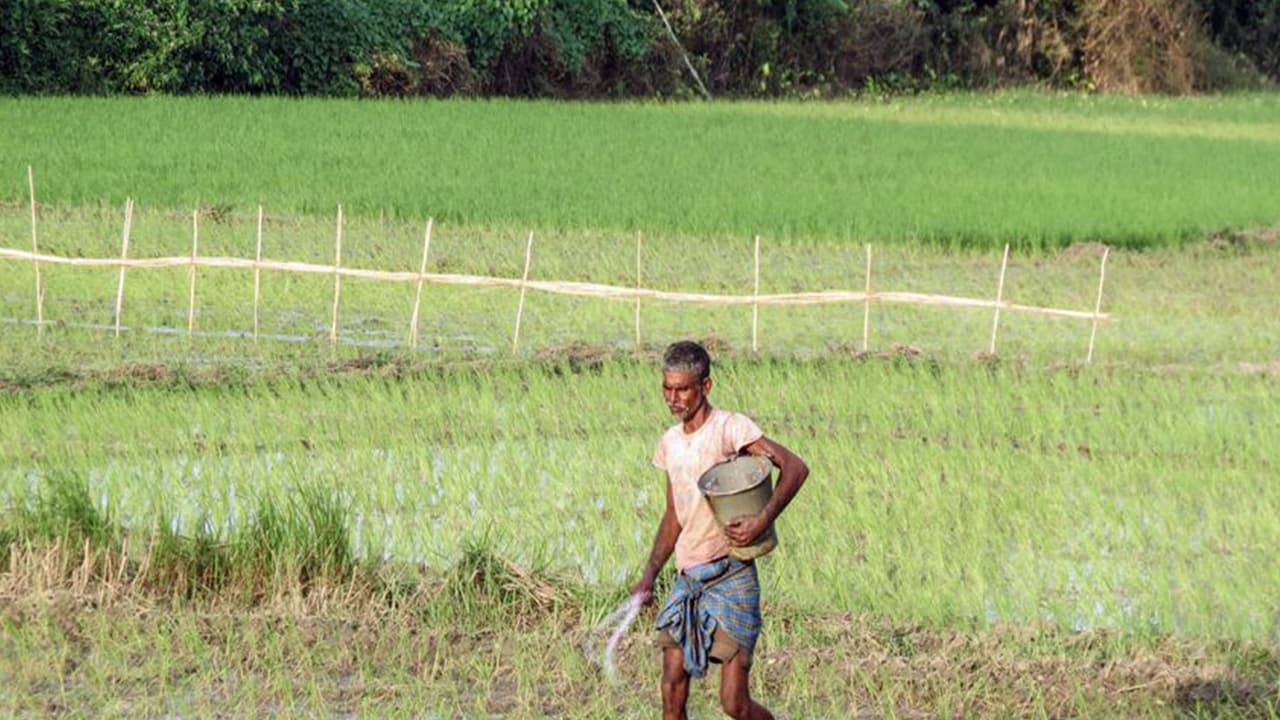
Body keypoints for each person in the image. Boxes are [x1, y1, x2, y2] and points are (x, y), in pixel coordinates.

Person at [632, 340, 809, 720]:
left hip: (731, 574)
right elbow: (674, 515)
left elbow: (795, 468)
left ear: (705, 387)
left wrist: (762, 520)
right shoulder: (670, 443)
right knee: (672, 688)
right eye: (667, 388)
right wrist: (648, 575)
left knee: (734, 704)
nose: (673, 398)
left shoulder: (730, 429)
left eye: (682, 389)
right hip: (689, 579)